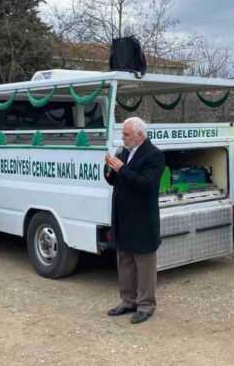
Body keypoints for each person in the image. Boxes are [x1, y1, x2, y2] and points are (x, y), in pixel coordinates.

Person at [104, 117, 165, 325]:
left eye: (127, 134)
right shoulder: (123, 151)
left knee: (144, 263)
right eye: (123, 134)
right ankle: (128, 301)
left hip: (142, 218)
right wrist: (110, 170)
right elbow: (114, 180)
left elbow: (146, 185)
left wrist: (121, 169)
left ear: (140, 135)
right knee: (125, 261)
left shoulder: (154, 155)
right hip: (123, 216)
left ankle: (146, 304)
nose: (123, 137)